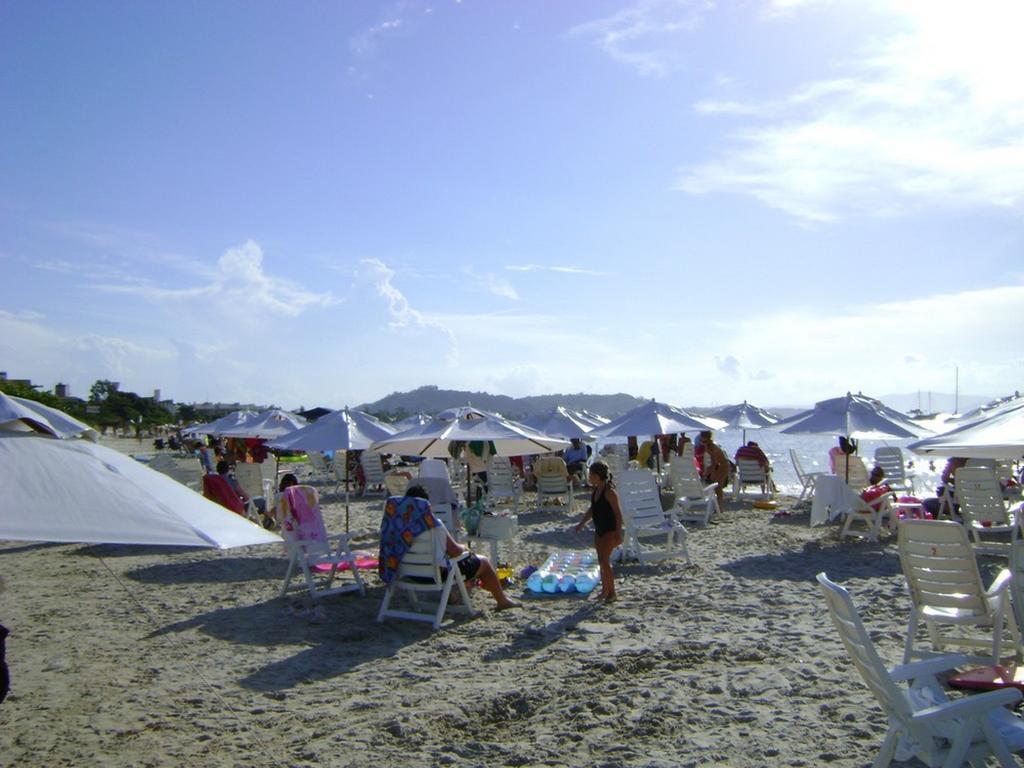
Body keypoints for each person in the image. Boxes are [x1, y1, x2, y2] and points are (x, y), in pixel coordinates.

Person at [400, 485, 519, 611]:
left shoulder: (397, 524)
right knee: (483, 562)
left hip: (409, 574)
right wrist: (465, 549)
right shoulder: (434, 525)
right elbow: (455, 552)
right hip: (433, 576)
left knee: (461, 564)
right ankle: (502, 601)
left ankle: (460, 590)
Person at [574, 461, 624, 603]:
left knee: (604, 561)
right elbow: (592, 510)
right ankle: (604, 591)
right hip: (599, 530)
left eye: (591, 475)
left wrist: (617, 533)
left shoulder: (609, 492)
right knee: (601, 562)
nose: (589, 477)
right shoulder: (596, 490)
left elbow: (618, 514)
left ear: (597, 476)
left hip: (609, 530)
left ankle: (612, 593)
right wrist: (581, 523)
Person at [698, 431, 729, 507]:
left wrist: (712, 472)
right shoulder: (707, 446)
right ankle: (717, 506)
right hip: (718, 465)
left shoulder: (713, 447)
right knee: (716, 487)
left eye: (704, 441)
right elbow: (713, 461)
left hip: (723, 466)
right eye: (701, 441)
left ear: (709, 439)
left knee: (718, 488)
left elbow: (715, 462)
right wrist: (709, 471)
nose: (703, 443)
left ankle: (720, 507)